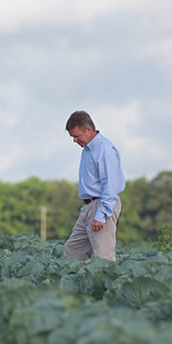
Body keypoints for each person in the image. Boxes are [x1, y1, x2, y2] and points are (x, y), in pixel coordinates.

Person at [63, 110, 125, 261]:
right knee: (72, 252)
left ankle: (105, 284)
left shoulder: (104, 149)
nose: (75, 141)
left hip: (101, 205)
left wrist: (102, 214)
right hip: (88, 207)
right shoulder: (88, 150)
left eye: (76, 136)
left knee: (103, 258)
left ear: (88, 130)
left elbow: (110, 185)